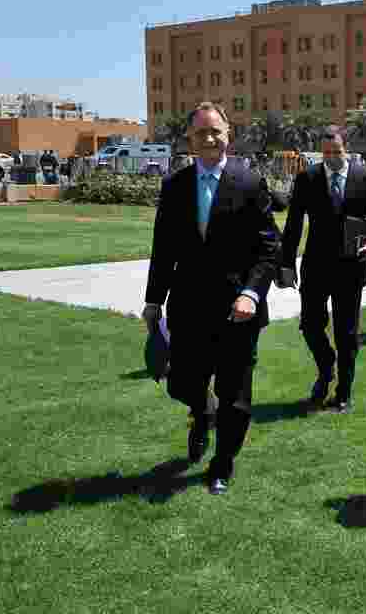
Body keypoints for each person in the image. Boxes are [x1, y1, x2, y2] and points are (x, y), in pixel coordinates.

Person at [142, 102, 280, 495]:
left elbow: (270, 249)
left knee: (235, 399)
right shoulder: (174, 186)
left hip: (238, 311)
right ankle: (202, 414)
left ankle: (221, 464)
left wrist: (252, 293)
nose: (209, 138)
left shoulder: (250, 183)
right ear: (190, 139)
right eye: (201, 132)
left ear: (227, 135)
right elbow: (163, 249)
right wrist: (154, 302)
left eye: (215, 131)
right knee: (182, 383)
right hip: (188, 309)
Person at [277, 126, 366, 414]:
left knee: (347, 333)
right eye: (326, 153)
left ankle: (343, 393)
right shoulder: (308, 178)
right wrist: (286, 265)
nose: (331, 158)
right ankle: (326, 365)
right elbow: (292, 225)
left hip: (351, 268)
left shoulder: (364, 177)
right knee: (310, 326)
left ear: (346, 148)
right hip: (315, 266)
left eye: (336, 152)